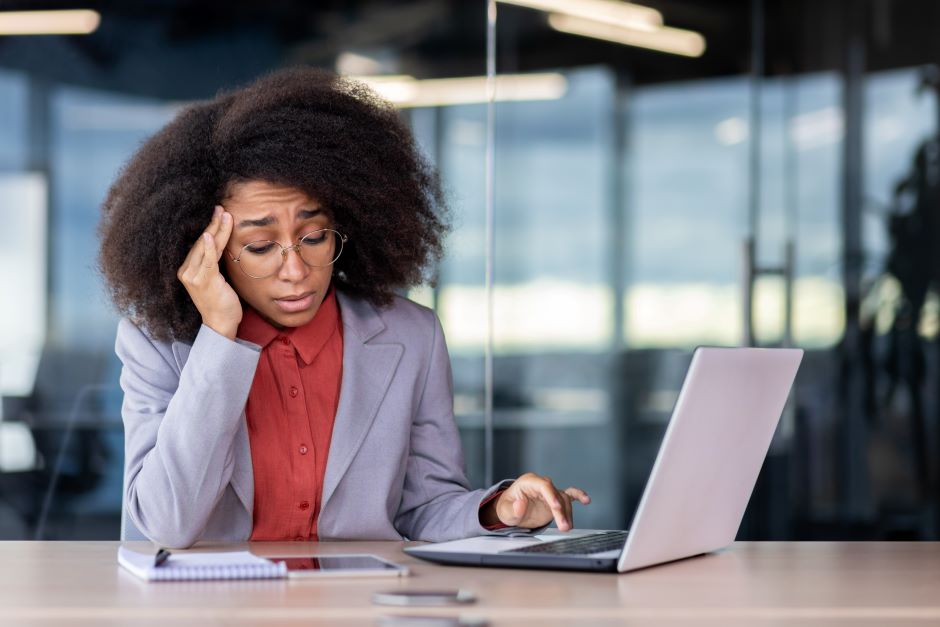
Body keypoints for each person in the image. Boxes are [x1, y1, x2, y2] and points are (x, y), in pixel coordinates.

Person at [98, 66, 590, 549]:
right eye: (261, 246)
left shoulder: (411, 336)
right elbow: (167, 523)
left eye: (313, 236)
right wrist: (219, 336)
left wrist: (500, 510)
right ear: (207, 248)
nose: (295, 270)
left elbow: (423, 507)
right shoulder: (157, 343)